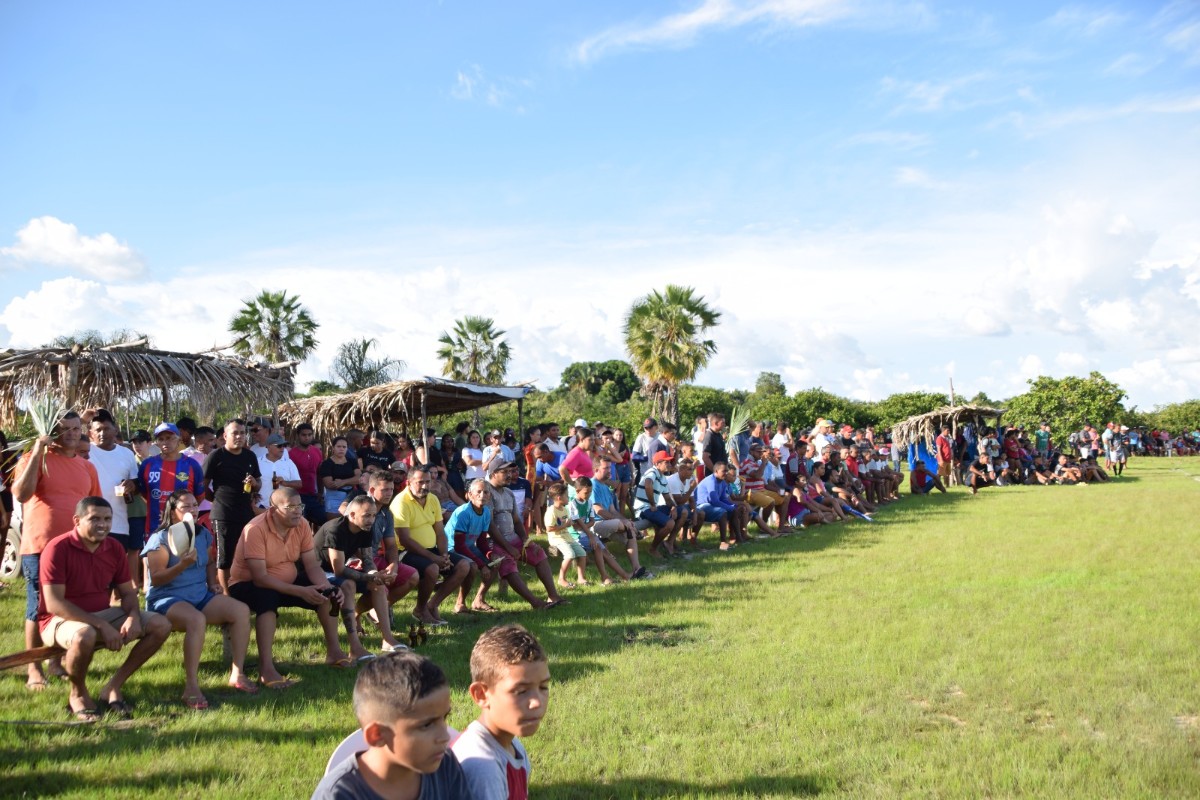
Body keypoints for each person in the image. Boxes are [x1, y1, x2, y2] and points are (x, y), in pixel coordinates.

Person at [38, 496, 172, 721]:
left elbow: (128, 592)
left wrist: (132, 617)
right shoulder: (57, 548)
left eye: (108, 519)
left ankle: (113, 686)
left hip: (101, 614)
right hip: (57, 620)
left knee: (161, 624)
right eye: (94, 519)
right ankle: (78, 694)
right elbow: (54, 604)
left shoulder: (114, 548)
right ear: (77, 520)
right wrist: (100, 624)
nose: (103, 524)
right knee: (84, 635)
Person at [141, 490, 257, 707]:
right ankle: (191, 686)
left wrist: (213, 582)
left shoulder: (203, 534)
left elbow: (210, 562)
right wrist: (182, 565)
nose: (193, 510)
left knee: (240, 610)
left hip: (199, 596)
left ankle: (237, 673)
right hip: (167, 598)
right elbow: (156, 579)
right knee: (196, 620)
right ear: (173, 512)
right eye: (186, 507)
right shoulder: (161, 538)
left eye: (195, 505)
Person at [228, 488, 352, 688]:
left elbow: (312, 565)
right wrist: (300, 591)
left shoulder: (301, 524)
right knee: (267, 600)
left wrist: (326, 586)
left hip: (285, 581)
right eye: (290, 507)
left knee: (327, 594)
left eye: (300, 506)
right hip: (247, 584)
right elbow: (260, 578)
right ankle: (266, 668)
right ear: (273, 509)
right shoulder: (255, 529)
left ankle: (334, 651)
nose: (297, 511)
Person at [13, 410, 101, 691]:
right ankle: (33, 668)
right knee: (37, 606)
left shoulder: (87, 467)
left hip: (76, 548)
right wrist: (38, 449)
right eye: (66, 429)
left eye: (77, 428)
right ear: (53, 431)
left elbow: (94, 507)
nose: (72, 433)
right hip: (40, 547)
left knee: (67, 605)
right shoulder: (35, 458)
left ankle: (55, 661)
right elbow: (21, 494)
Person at [311, 651, 472, 800]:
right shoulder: (338, 794)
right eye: (426, 725)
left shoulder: (445, 764)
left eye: (445, 717)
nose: (445, 737)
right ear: (377, 735)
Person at [453, 624, 549, 800]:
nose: (536, 702)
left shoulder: (513, 745)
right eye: (521, 691)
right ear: (481, 694)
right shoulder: (483, 768)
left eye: (543, 687)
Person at [391, 466, 471, 626]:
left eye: (428, 482)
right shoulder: (401, 502)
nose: (425, 486)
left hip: (431, 550)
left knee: (463, 565)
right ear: (409, 483)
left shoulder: (433, 499)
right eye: (420, 482)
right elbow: (405, 539)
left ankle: (432, 605)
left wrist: (444, 555)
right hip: (405, 551)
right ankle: (420, 609)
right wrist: (434, 558)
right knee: (432, 568)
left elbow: (440, 533)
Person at [314, 495, 392, 659]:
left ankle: (388, 639)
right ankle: (355, 647)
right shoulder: (336, 529)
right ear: (352, 515)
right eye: (366, 516)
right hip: (317, 572)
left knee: (377, 585)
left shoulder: (365, 528)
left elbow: (368, 560)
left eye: (373, 515)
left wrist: (374, 575)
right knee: (348, 585)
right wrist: (369, 577)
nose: (371, 520)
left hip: (334, 571)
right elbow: (339, 570)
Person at [484, 462, 565, 608]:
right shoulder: (485, 492)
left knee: (538, 552)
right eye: (505, 472)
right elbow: (490, 527)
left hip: (511, 538)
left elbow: (516, 521)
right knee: (506, 562)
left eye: (511, 471)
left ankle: (553, 596)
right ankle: (536, 603)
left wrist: (526, 540)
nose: (510, 475)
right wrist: (509, 547)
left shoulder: (508, 493)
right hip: (492, 542)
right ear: (493, 473)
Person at [84, 410, 142, 589]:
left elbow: (136, 484)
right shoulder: (86, 451)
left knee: (111, 570)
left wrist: (132, 485)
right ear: (90, 433)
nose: (102, 433)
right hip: (88, 521)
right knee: (90, 570)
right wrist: (84, 418)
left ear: (115, 430)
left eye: (106, 429)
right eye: (97, 429)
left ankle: (109, 608)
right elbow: (64, 434)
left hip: (118, 522)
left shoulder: (126, 454)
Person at [203, 419, 262, 592]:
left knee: (247, 555)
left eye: (243, 433)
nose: (239, 436)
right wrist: (216, 500)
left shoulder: (249, 456)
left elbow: (258, 482)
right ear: (225, 435)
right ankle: (227, 597)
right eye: (235, 433)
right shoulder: (216, 456)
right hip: (224, 514)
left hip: (246, 512)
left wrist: (254, 483)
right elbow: (203, 484)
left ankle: (244, 592)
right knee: (225, 558)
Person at [589, 460, 651, 579]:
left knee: (630, 531)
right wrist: (623, 522)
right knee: (620, 523)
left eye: (609, 468)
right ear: (596, 470)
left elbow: (613, 511)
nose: (609, 471)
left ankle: (637, 568)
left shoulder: (605, 487)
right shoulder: (593, 485)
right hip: (595, 524)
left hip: (608, 524)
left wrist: (627, 521)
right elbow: (599, 511)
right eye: (606, 468)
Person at [634, 450, 680, 558]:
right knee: (670, 523)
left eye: (669, 462)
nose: (669, 464)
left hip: (651, 507)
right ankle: (653, 548)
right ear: (657, 464)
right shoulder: (652, 472)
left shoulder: (662, 477)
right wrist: (652, 504)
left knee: (682, 511)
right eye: (666, 462)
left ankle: (670, 542)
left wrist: (674, 507)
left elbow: (667, 498)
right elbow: (648, 484)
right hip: (643, 508)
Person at [694, 461, 739, 550]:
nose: (726, 473)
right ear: (716, 471)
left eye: (727, 471)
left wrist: (733, 506)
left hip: (711, 506)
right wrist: (730, 507)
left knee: (734, 510)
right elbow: (715, 501)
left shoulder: (722, 482)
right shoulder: (711, 481)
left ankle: (736, 538)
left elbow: (723, 499)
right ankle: (723, 542)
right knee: (722, 512)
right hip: (701, 506)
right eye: (724, 471)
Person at [319, 436, 362, 521]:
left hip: (351, 495)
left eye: (344, 447)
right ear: (333, 448)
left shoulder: (352, 461)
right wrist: (351, 480)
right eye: (338, 446)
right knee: (334, 523)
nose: (341, 449)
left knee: (352, 521)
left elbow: (359, 478)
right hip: (334, 496)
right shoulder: (326, 464)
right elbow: (329, 484)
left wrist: (343, 482)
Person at [258, 433, 302, 509]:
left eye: (284, 445)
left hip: (283, 509)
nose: (282, 448)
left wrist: (285, 483)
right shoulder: (258, 462)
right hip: (262, 507)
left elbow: (299, 484)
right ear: (268, 446)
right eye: (279, 446)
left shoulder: (289, 463)